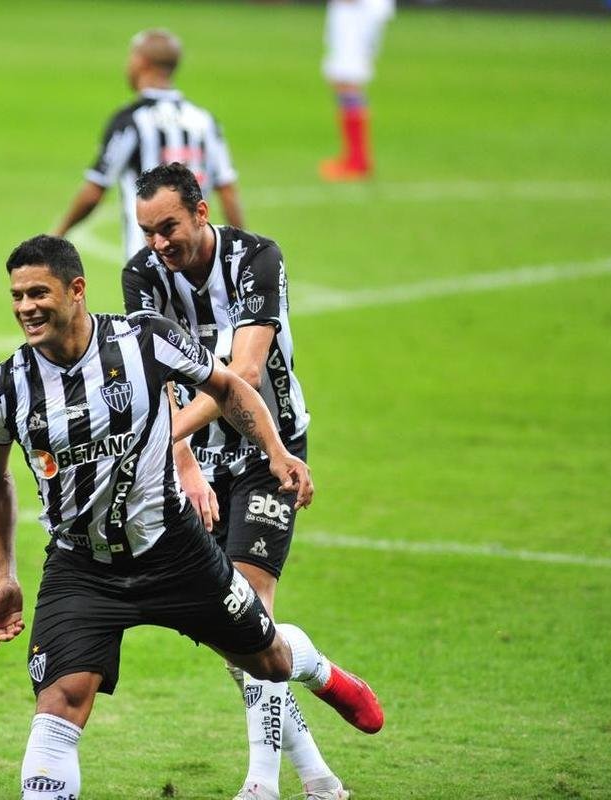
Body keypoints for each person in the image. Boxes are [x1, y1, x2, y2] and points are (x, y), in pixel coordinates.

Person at [0, 234, 382, 800]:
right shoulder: (2, 390)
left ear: (76, 290)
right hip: (81, 568)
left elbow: (229, 386)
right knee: (59, 702)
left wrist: (277, 452)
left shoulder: (146, 342)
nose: (26, 307)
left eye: (38, 292)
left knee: (267, 662)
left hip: (175, 552)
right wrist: (4, 575)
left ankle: (315, 668)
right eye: (16, 296)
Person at [124, 163, 341, 800]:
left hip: (268, 448)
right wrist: (182, 461)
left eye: (168, 227)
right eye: (146, 232)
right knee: (232, 632)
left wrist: (171, 439)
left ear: (200, 211)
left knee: (250, 605)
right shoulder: (144, 274)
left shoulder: (256, 259)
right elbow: (153, 374)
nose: (158, 243)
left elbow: (242, 373)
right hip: (195, 458)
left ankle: (260, 785)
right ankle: (320, 770)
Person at [52, 28, 244, 260]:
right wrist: (242, 252)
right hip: (198, 260)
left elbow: (95, 189)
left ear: (141, 62)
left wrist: (58, 234)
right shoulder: (204, 121)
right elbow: (227, 191)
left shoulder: (131, 120)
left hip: (147, 262)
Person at [318, 0, 394, 181]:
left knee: (348, 78)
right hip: (352, 10)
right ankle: (354, 157)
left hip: (357, 10)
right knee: (341, 79)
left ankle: (357, 161)